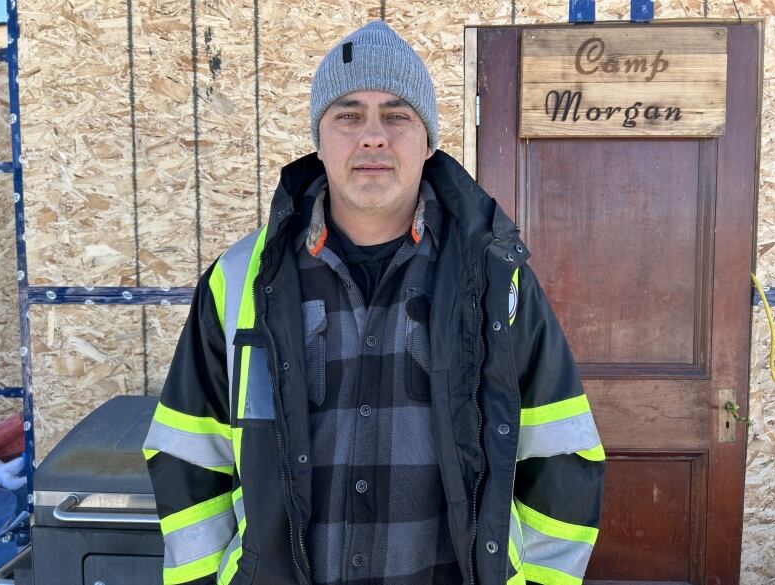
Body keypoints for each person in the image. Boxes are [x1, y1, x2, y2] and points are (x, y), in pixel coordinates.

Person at [144, 20, 605, 585]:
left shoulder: (496, 282)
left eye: (396, 115)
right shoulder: (237, 281)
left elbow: (560, 458)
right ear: (319, 137)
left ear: (428, 140)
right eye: (348, 115)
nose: (372, 136)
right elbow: (190, 459)